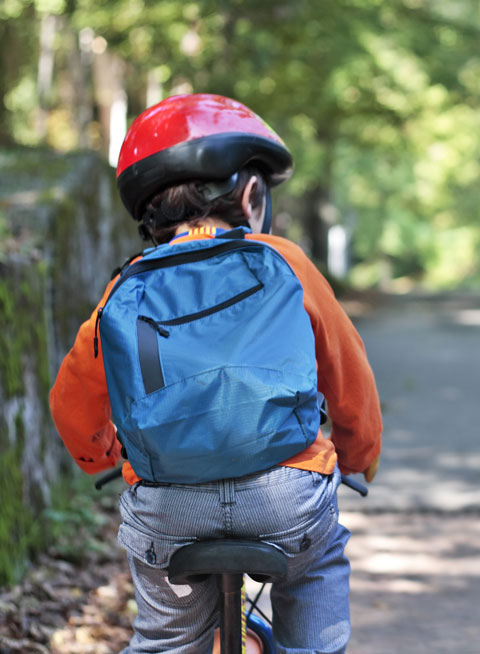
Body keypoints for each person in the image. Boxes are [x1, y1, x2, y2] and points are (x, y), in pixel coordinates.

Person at [48, 94, 382, 654]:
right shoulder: (286, 261)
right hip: (285, 500)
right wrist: (357, 456)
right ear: (253, 196)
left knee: (164, 641)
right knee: (316, 568)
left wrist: (104, 457)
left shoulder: (124, 289)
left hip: (169, 508)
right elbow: (349, 378)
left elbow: (71, 403)